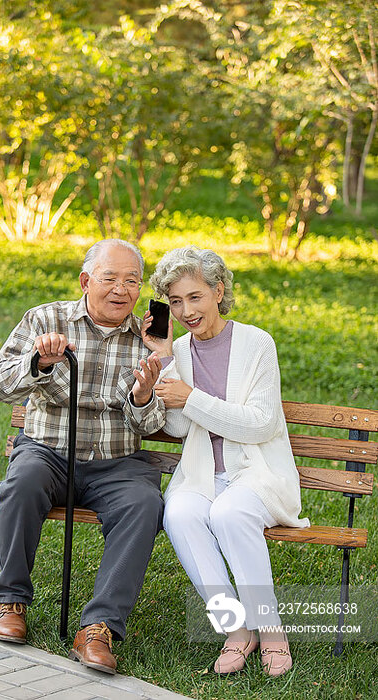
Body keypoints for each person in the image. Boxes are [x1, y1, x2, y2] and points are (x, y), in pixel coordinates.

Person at [0, 239, 166, 675]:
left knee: (145, 504)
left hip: (117, 463)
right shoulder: (46, 318)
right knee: (22, 482)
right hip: (48, 452)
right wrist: (39, 363)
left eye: (132, 281)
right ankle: (10, 601)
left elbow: (154, 421)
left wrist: (143, 395)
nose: (121, 290)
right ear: (87, 280)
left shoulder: (150, 337)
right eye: (110, 278)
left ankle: (99, 626)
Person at [142, 246, 310, 677]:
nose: (185, 311)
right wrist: (164, 363)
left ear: (219, 291)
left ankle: (270, 629)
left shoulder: (256, 343)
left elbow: (259, 424)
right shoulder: (177, 350)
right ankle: (236, 628)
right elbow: (180, 427)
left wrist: (192, 397)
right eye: (175, 301)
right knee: (178, 514)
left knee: (231, 514)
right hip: (201, 475)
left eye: (195, 297)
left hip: (257, 474)